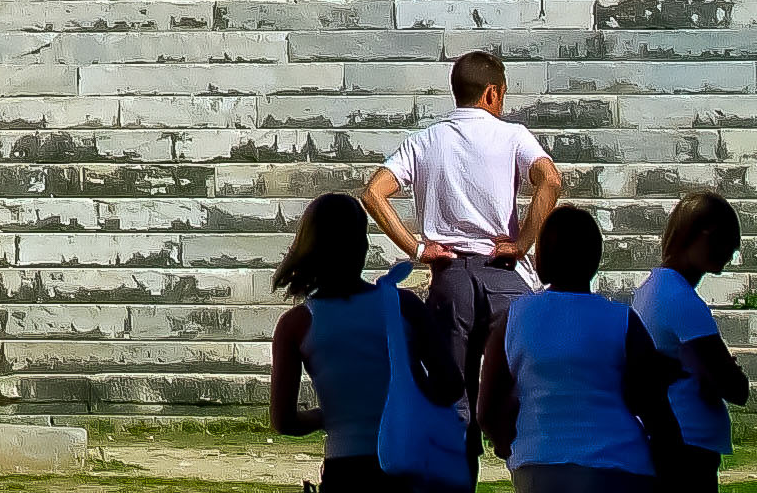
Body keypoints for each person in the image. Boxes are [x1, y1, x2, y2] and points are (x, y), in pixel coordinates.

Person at [363, 50, 564, 418]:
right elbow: (550, 180)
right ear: (491, 93)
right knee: (527, 389)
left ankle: (459, 465)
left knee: (453, 401)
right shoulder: (512, 136)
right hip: (501, 269)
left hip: (450, 274)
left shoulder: (424, 141)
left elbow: (373, 193)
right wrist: (522, 245)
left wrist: (417, 248)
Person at [477, 202, 685, 492]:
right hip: (617, 465)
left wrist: (509, 446)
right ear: (595, 259)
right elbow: (655, 409)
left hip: (538, 466)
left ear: (542, 259)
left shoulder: (513, 320)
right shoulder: (622, 320)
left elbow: (487, 411)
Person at [270, 189, 464, 491]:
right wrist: (406, 394)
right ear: (362, 245)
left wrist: (332, 415)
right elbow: (451, 384)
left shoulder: (295, 324)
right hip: (412, 460)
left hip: (345, 467)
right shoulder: (403, 305)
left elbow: (284, 422)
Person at [631, 193, 750, 490]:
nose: (731, 253)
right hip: (686, 445)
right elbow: (735, 387)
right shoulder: (682, 300)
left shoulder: (652, 288)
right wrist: (725, 373)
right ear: (704, 235)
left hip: (664, 437)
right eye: (728, 242)